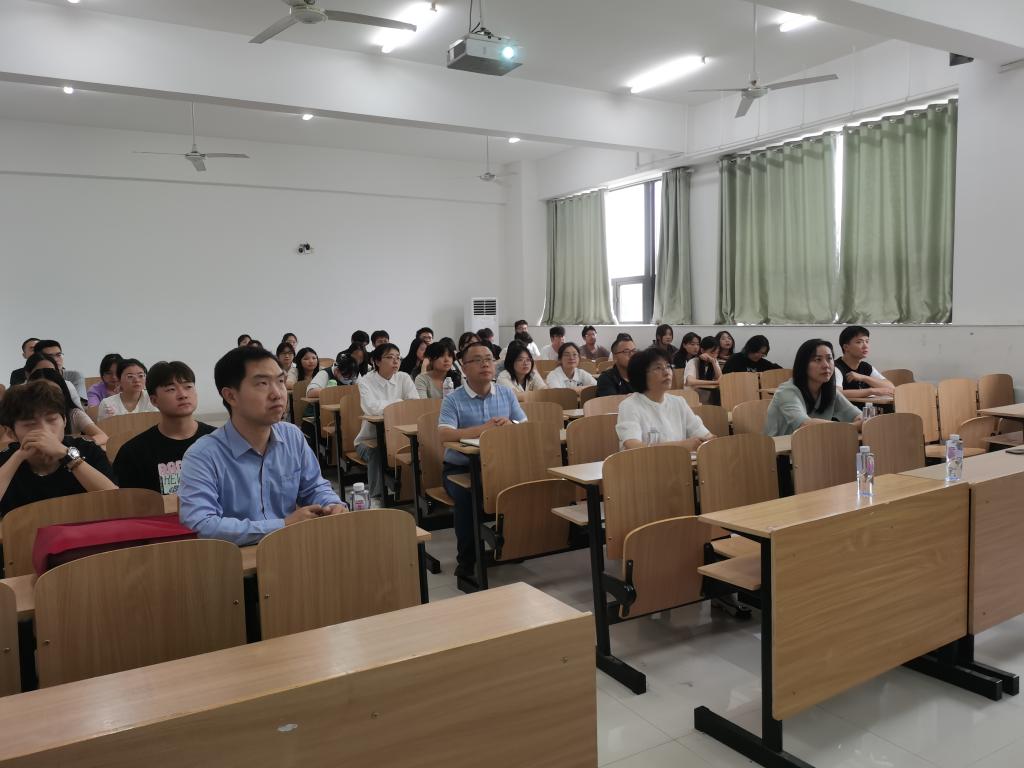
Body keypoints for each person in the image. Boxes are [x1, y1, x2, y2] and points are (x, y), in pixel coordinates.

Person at [178, 347, 345, 545]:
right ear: (231, 396)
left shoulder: (292, 436)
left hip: (292, 550)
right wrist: (282, 525)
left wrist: (332, 504)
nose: (277, 394)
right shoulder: (202, 455)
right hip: (237, 558)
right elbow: (201, 524)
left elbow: (314, 487)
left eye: (280, 381)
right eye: (262, 384)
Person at [438, 342, 526, 585]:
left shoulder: (506, 393)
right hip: (460, 469)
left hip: (500, 465)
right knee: (468, 496)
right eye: (477, 360)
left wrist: (511, 425)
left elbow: (523, 423)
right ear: (464, 367)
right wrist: (483, 430)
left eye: (488, 359)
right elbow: (444, 434)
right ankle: (467, 560)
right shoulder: (453, 399)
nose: (485, 364)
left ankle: (512, 545)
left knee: (519, 486)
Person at [0, 379, 116, 517]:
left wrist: (66, 455)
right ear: (11, 433)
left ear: (64, 421)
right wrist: (18, 457)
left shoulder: (88, 449)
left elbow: (116, 499)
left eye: (51, 420)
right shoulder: (6, 459)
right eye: (30, 424)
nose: (45, 430)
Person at [113, 361, 215, 496]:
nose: (183, 395)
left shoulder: (219, 441)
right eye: (171, 389)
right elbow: (129, 503)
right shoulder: (133, 453)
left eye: (188, 387)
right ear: (154, 400)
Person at [355, 343, 419, 506]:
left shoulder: (404, 378)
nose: (395, 361)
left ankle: (415, 493)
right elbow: (371, 408)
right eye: (390, 357)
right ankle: (376, 498)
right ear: (376, 361)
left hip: (400, 438)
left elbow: (414, 405)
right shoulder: (366, 381)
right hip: (369, 440)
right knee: (377, 452)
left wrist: (390, 406)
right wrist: (399, 403)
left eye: (398, 357)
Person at [615, 349, 714, 451]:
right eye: (658, 368)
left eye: (668, 366)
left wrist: (711, 441)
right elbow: (633, 446)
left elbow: (704, 435)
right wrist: (681, 446)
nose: (667, 372)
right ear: (641, 374)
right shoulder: (629, 406)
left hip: (677, 460)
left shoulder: (679, 402)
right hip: (644, 461)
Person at [764, 339, 863, 437]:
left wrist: (861, 420)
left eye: (829, 358)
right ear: (803, 365)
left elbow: (857, 415)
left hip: (815, 442)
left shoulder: (829, 390)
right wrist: (852, 426)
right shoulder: (786, 391)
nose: (826, 365)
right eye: (818, 360)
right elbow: (804, 425)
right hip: (782, 445)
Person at [29, 366, 108, 447]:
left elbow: (102, 436)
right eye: (39, 392)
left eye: (54, 391)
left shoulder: (73, 414)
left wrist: (74, 446)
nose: (47, 396)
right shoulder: (24, 417)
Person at [836, 326, 894, 397]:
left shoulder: (866, 367)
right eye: (859, 342)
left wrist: (864, 378)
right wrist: (871, 391)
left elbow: (891, 388)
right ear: (846, 347)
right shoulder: (835, 367)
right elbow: (837, 393)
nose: (865, 346)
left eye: (867, 341)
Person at [33, 339, 86, 404]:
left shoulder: (74, 376)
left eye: (58, 355)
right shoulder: (34, 378)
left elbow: (81, 403)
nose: (55, 359)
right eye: (49, 356)